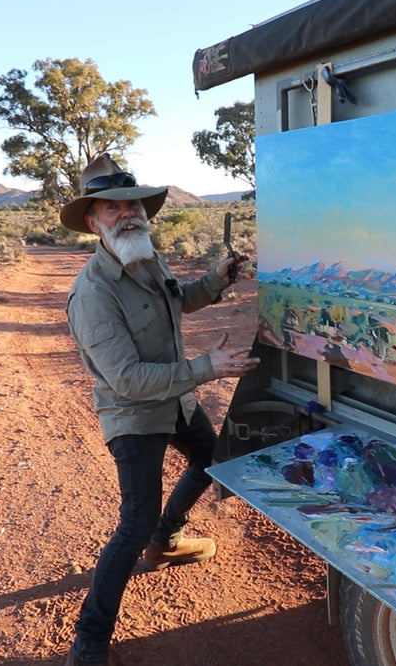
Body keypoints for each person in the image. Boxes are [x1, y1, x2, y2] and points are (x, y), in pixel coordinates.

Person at [60, 153, 258, 666]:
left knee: (212, 459)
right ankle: (88, 646)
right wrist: (208, 366)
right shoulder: (93, 292)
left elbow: (178, 300)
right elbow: (126, 378)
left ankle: (165, 541)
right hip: (133, 413)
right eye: (112, 207)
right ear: (92, 220)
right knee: (132, 522)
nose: (127, 213)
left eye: (133, 204)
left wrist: (215, 280)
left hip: (175, 398)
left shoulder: (145, 256)